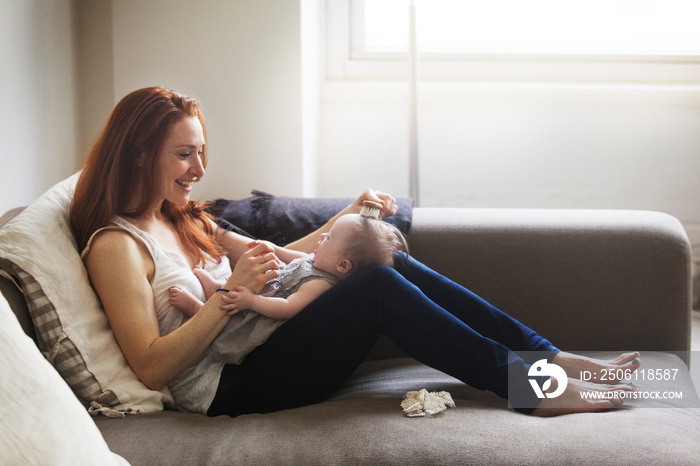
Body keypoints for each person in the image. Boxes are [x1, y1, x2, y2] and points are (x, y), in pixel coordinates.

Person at [70, 86, 640, 418]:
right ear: (141, 153)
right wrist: (224, 301)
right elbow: (148, 366)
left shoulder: (184, 217)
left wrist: (347, 220)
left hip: (262, 337)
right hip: (230, 384)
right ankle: (531, 392)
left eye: (200, 152)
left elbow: (288, 260)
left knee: (384, 257)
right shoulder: (118, 244)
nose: (200, 169)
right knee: (377, 287)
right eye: (184, 155)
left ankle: (550, 360)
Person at [169, 214, 409, 364]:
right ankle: (215, 288)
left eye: (330, 238)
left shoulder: (321, 283)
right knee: (236, 286)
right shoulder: (319, 260)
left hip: (262, 313)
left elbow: (287, 307)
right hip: (267, 290)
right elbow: (298, 256)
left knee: (232, 319)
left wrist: (251, 302)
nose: (323, 236)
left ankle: (198, 309)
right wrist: (274, 248)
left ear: (343, 265)